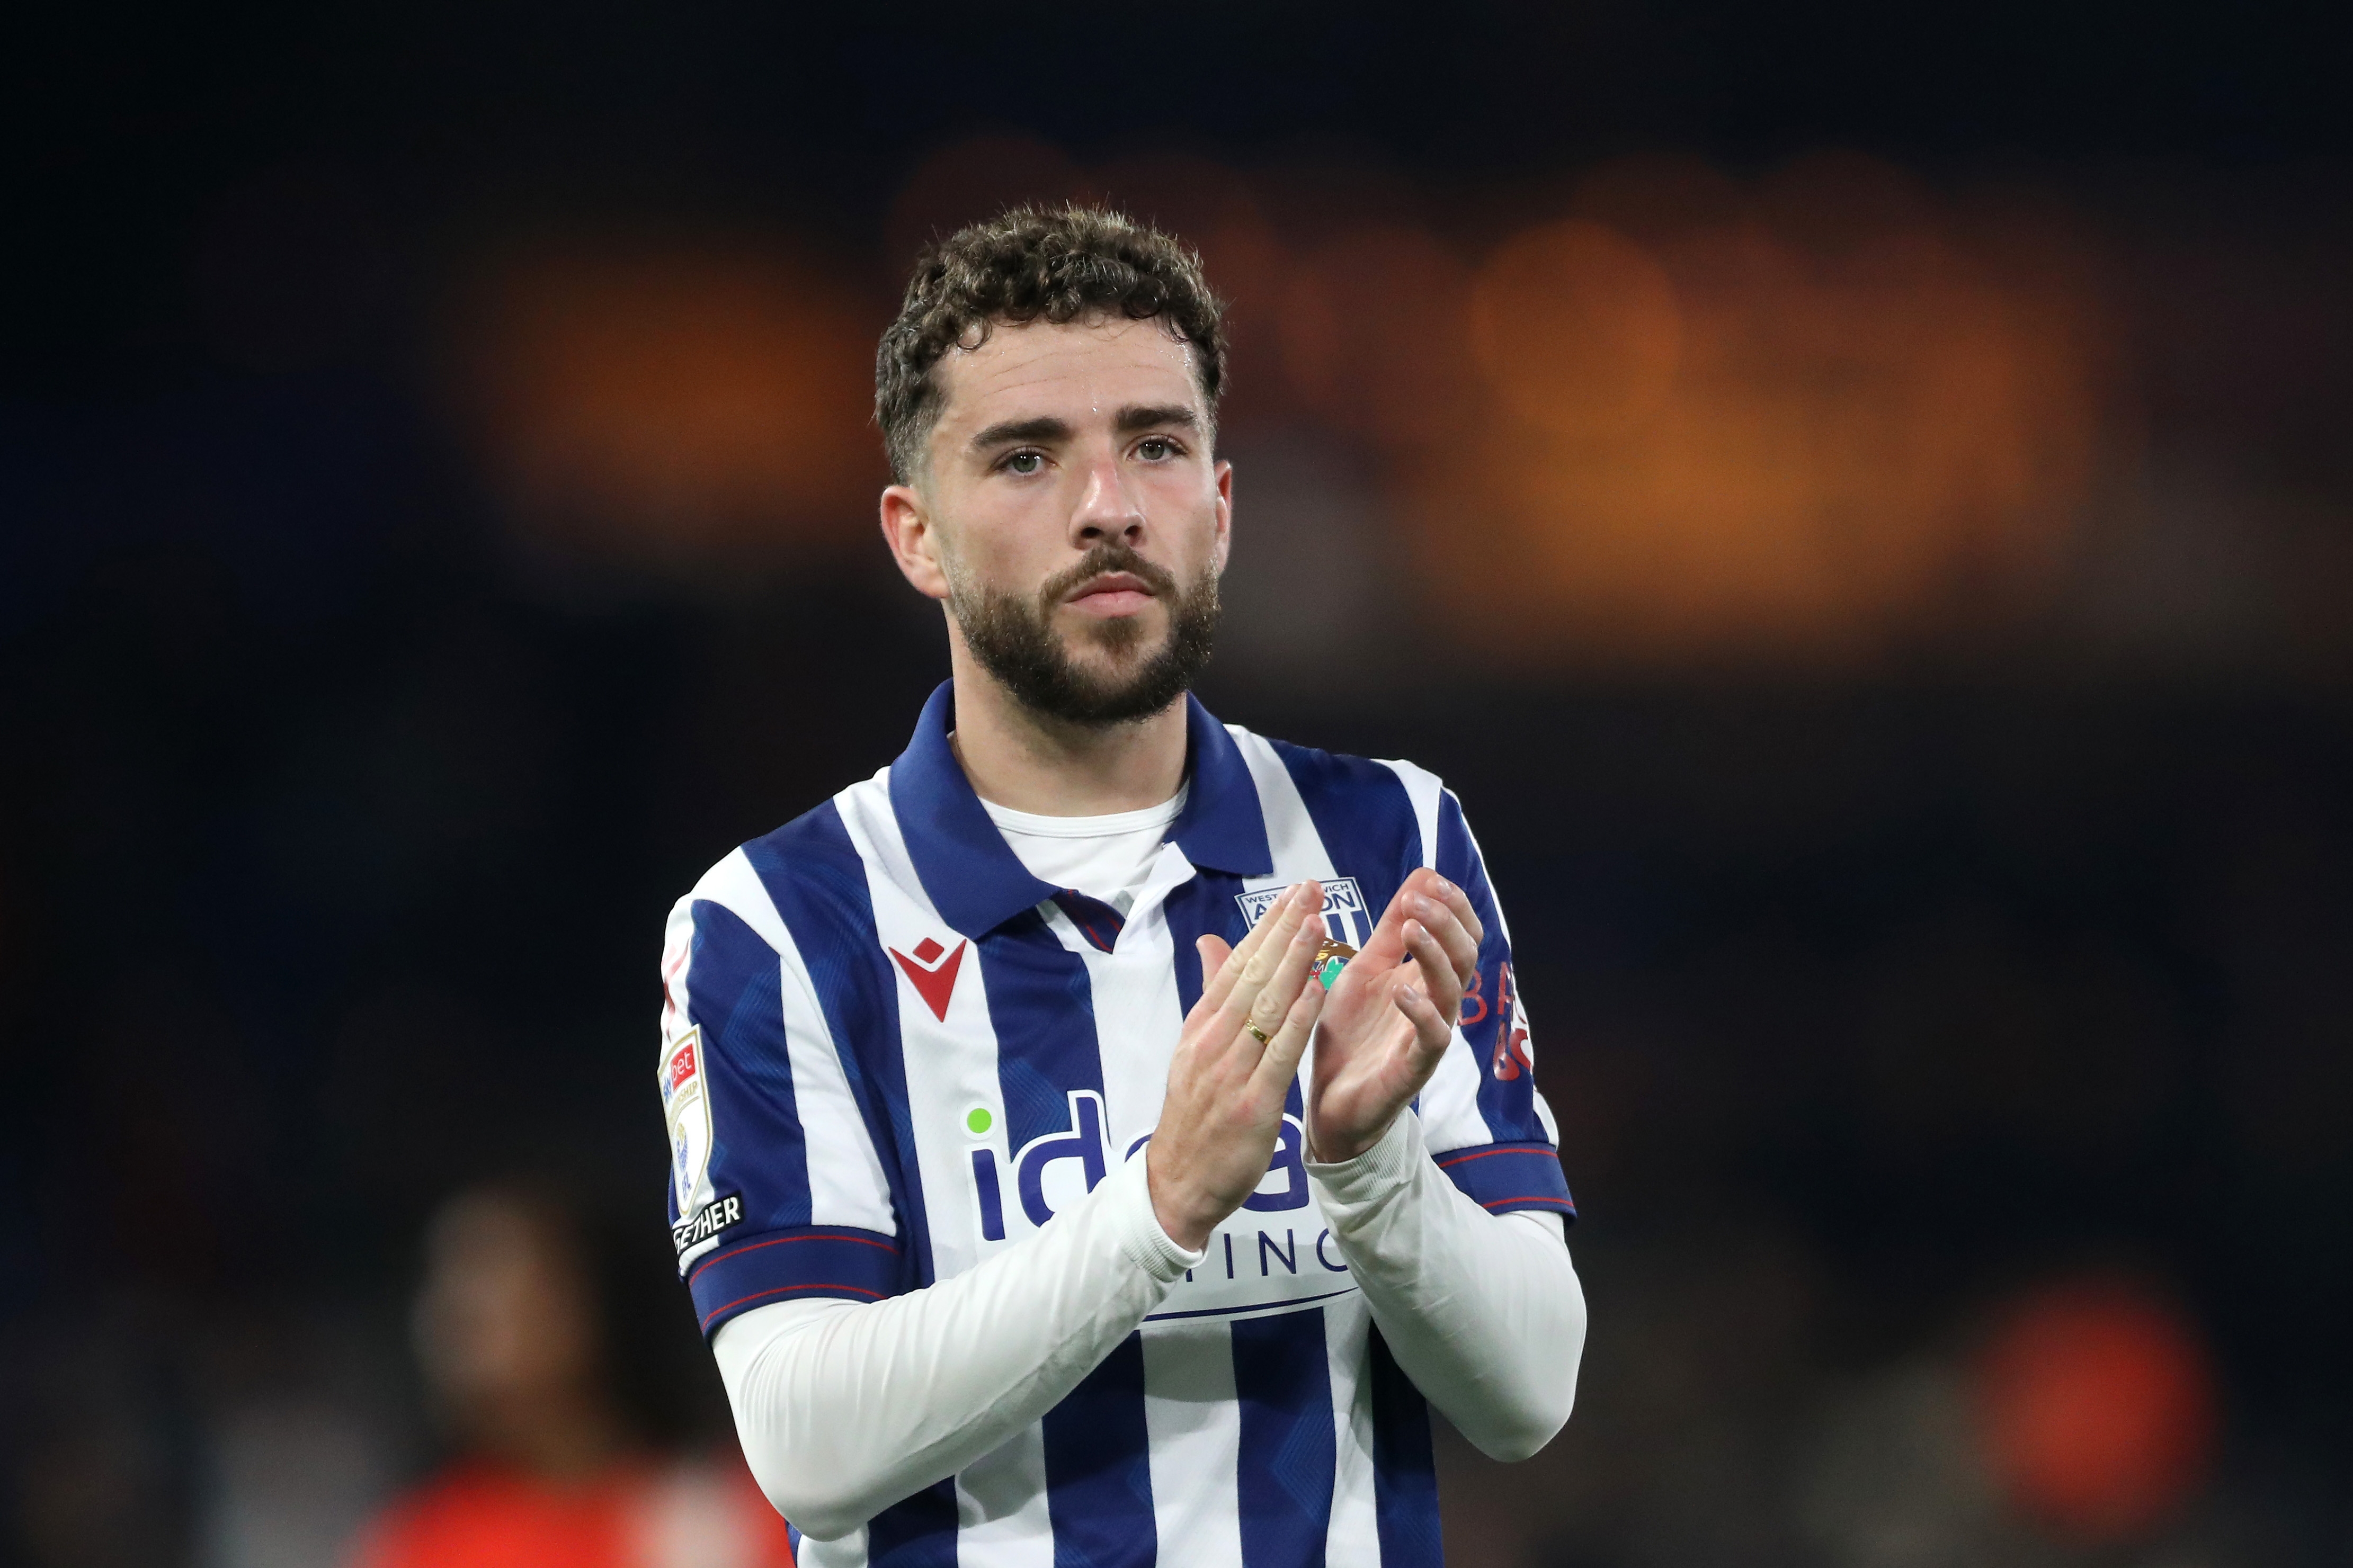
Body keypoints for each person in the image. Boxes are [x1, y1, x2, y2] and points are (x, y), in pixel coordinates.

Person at [657, 204, 1585, 1568]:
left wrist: (1367, 1167)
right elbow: (807, 1445)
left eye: (1153, 444)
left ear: (1216, 505)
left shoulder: (1388, 839)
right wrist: (1156, 1207)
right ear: (917, 538)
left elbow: (1528, 1396)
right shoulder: (778, 924)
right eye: (1027, 459)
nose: (1108, 506)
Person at [351, 1183, 795, 1568]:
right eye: (448, 1290)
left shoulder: (720, 1510)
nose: (451, 1319)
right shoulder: (423, 1541)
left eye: (494, 1278)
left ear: (591, 1302)